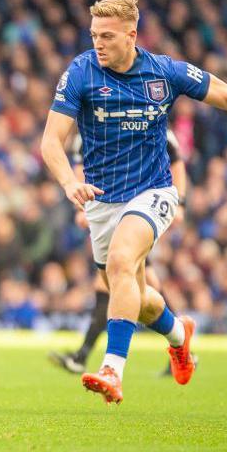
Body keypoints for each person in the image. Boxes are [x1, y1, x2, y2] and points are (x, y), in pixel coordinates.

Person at [41, 0, 227, 405]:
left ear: (132, 35)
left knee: (120, 262)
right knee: (137, 296)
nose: (98, 43)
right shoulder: (80, 73)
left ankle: (112, 370)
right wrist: (67, 182)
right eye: (94, 35)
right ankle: (178, 335)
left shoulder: (164, 72)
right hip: (100, 201)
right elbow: (50, 140)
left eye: (108, 36)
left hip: (153, 192)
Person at [49, 129, 199, 377]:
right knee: (138, 290)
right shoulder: (85, 134)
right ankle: (180, 337)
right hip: (106, 214)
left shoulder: (151, 120)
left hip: (140, 209)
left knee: (117, 281)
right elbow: (79, 170)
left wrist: (180, 202)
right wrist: (81, 206)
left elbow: (177, 164)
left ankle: (96, 360)